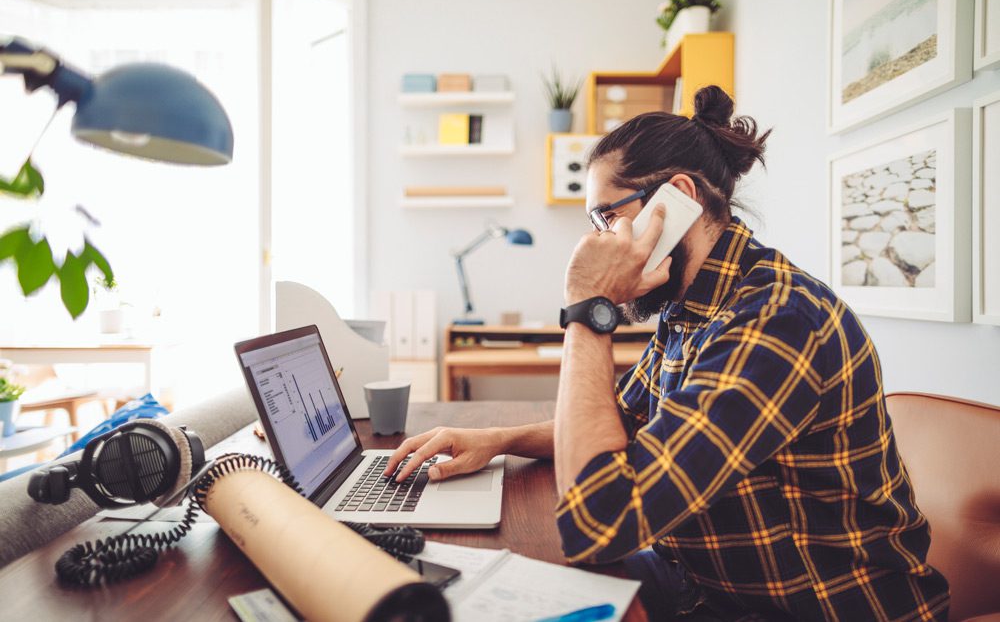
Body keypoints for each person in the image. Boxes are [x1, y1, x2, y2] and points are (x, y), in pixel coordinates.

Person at [383, 86, 949, 621]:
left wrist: (588, 308)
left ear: (677, 198)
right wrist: (498, 440)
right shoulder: (693, 305)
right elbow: (622, 422)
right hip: (704, 585)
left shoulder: (776, 321)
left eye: (608, 216)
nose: (602, 239)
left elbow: (600, 520)